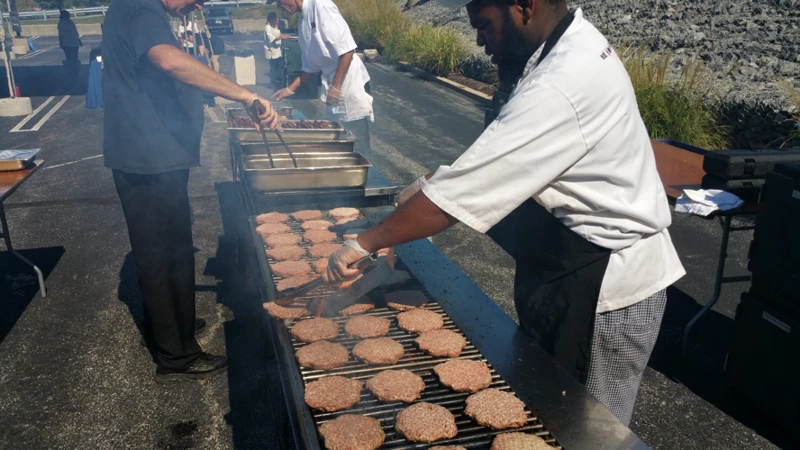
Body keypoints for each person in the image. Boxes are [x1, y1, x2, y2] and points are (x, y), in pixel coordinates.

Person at [323, 0, 686, 426]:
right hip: (572, 268)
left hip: (607, 290)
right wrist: (429, 182)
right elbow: (505, 155)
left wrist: (363, 243)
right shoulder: (564, 45)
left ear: (523, 6)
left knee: (587, 427)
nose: (479, 40)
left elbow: (465, 193)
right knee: (552, 411)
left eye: (484, 25)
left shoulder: (562, 82)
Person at [102, 0, 279, 383]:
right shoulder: (142, 9)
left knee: (169, 247)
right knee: (165, 252)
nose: (197, 5)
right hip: (146, 158)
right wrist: (246, 95)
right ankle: (176, 355)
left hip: (153, 155)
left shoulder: (142, 8)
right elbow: (170, 61)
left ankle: (174, 324)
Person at [272, 0, 374, 159]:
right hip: (334, 80)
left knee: (356, 139)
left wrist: (336, 87)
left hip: (348, 80)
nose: (279, 7)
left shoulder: (321, 6)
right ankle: (345, 176)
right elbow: (309, 67)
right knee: (339, 136)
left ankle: (364, 177)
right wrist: (289, 89)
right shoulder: (302, 21)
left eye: (279, 1)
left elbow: (347, 50)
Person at [264, 12, 289, 87]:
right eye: (275, 20)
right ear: (272, 20)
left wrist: (285, 36)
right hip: (271, 51)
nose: (277, 21)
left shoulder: (275, 26)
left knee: (279, 66)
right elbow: (272, 38)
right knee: (273, 67)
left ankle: (277, 80)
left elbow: (278, 34)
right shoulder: (267, 27)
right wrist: (281, 37)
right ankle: (273, 82)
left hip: (278, 50)